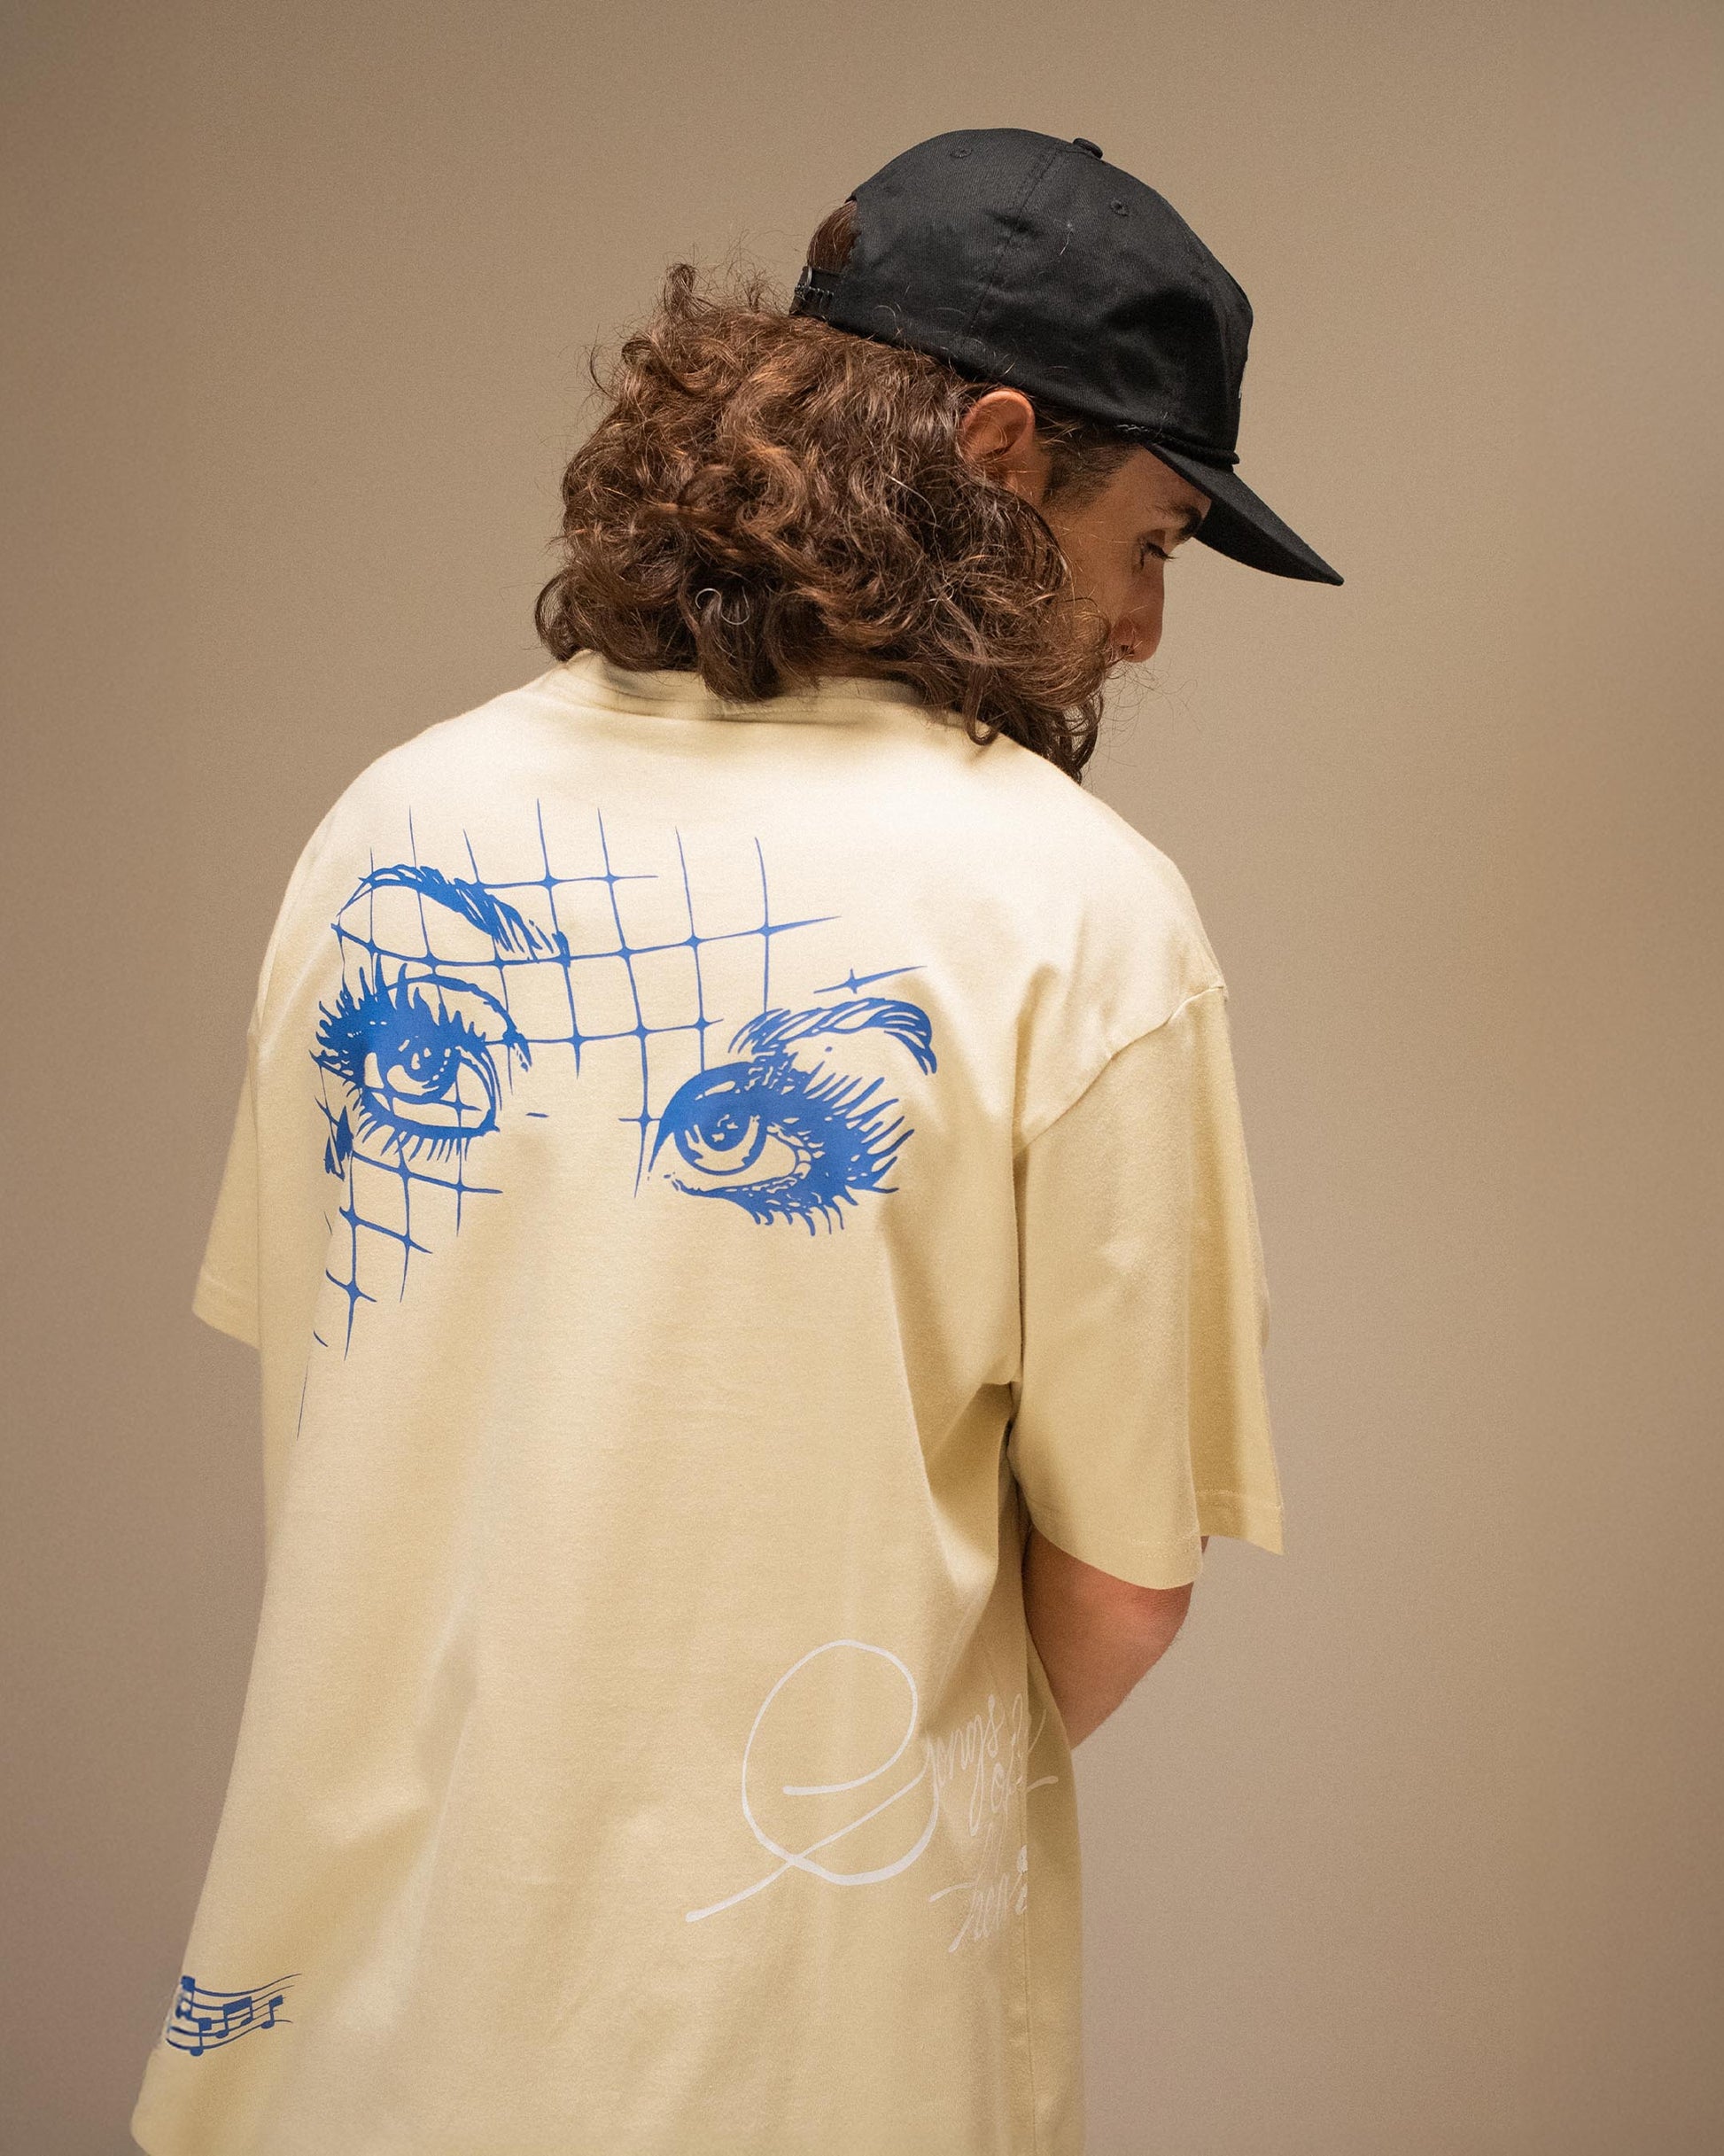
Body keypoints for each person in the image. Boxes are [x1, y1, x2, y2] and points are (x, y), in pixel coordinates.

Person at [131, 128, 1340, 2156]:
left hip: (331, 2053)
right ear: (997, 450)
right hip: (802, 2062)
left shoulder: (387, 831)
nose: (1144, 625)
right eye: (1152, 540)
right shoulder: (1078, 914)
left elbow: (362, 1425)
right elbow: (1120, 1587)